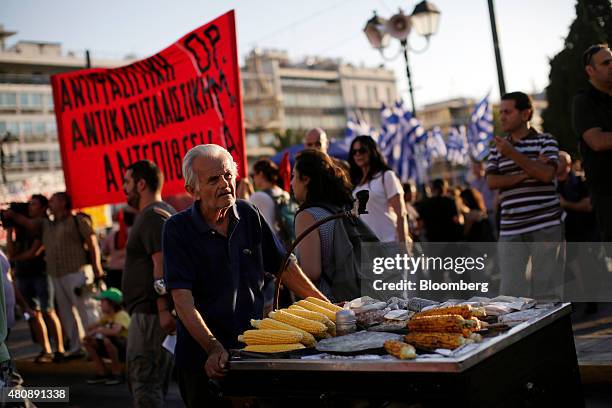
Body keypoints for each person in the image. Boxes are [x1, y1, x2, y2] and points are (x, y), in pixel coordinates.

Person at [163, 144, 328, 408]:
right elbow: (182, 300)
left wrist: (327, 306)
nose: (225, 184)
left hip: (250, 351)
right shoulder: (176, 229)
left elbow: (285, 268)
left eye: (228, 175)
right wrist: (213, 347)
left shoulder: (249, 214)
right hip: (201, 359)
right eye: (214, 179)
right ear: (191, 190)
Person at [5, 192, 104, 358]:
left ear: (63, 203)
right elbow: (29, 223)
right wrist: (13, 217)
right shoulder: (46, 224)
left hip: (77, 272)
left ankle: (98, 347)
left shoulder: (78, 220)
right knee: (66, 314)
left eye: (53, 200)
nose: (50, 203)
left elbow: (92, 243)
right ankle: (76, 347)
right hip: (57, 275)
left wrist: (97, 268)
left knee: (86, 311)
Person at [486, 91, 564, 299]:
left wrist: (512, 155)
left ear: (525, 114)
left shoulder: (546, 141)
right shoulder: (497, 149)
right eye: (501, 112)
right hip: (511, 229)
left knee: (546, 293)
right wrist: (528, 171)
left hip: (545, 226)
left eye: (507, 112)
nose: (502, 116)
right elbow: (492, 181)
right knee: (511, 294)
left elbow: (547, 174)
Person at [121, 160, 176, 408]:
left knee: (145, 384)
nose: (124, 188)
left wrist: (163, 309)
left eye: (127, 182)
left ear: (141, 184)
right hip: (152, 314)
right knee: (151, 383)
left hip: (150, 316)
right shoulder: (160, 212)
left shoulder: (153, 216)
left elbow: (161, 266)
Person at [292, 149, 357, 301]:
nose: (291, 183)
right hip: (352, 298)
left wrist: (286, 274)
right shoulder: (338, 208)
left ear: (306, 179)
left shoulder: (307, 216)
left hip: (324, 305)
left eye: (294, 176)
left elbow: (311, 272)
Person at [6, 195, 65, 363]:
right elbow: (11, 251)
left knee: (49, 311)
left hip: (41, 272)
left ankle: (59, 349)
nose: (31, 207)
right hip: (25, 274)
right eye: (29, 204)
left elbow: (34, 251)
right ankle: (46, 349)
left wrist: (19, 257)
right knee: (34, 313)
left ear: (43, 207)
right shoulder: (22, 226)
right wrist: (10, 228)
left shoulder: (43, 224)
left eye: (34, 204)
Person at [571, 44, 612, 242]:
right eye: (606, 63)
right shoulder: (584, 101)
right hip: (608, 192)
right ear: (590, 70)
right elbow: (597, 142)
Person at [348, 135, 409, 245]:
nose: (357, 154)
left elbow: (401, 214)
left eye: (362, 150)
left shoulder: (386, 176)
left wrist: (404, 248)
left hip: (390, 244)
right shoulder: (355, 185)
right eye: (354, 151)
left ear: (372, 151)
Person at [84, 288, 130, 386]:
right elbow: (90, 327)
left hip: (126, 349)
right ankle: (102, 372)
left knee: (107, 340)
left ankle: (117, 373)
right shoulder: (107, 317)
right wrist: (90, 333)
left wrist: (98, 330)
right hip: (115, 347)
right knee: (88, 342)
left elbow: (115, 331)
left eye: (103, 302)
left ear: (112, 303)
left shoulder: (121, 315)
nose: (100, 304)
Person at [101, 209, 135, 291]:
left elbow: (104, 251)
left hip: (114, 272)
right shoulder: (134, 232)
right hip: (130, 270)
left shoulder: (112, 234)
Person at [469, 160, 499, 238]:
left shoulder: (488, 180)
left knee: (495, 234)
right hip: (480, 215)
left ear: (481, 167)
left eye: (476, 167)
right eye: (473, 167)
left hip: (491, 212)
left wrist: (495, 210)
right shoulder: (472, 184)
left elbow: (496, 195)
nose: (474, 169)